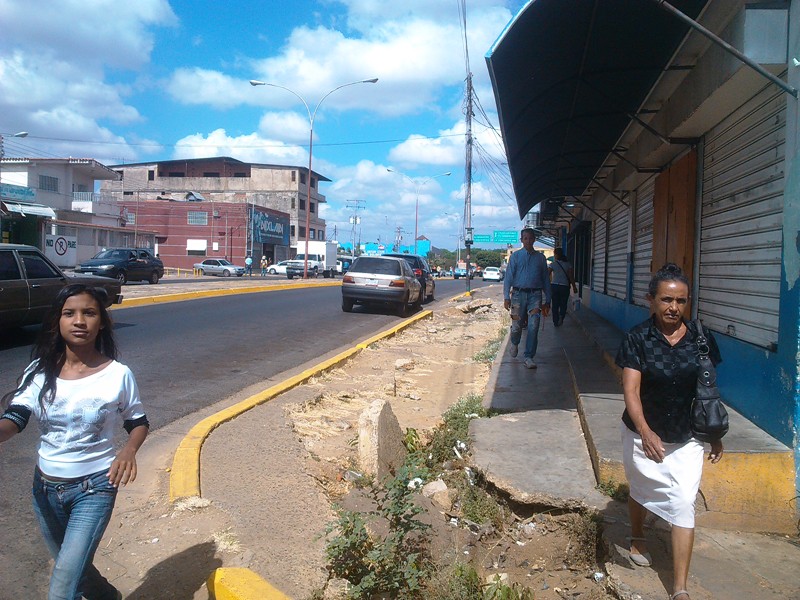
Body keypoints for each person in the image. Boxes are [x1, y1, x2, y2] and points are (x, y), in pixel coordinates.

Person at [1, 284, 149, 600]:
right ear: (58, 321)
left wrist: (129, 450)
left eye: (89, 313)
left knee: (62, 588)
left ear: (102, 322)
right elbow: (16, 417)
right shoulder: (40, 372)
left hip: (94, 489)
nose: (79, 321)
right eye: (69, 313)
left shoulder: (118, 374)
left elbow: (137, 422)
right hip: (44, 491)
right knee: (76, 569)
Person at [615, 263, 724, 600]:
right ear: (652, 300)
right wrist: (646, 431)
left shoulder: (702, 339)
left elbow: (708, 390)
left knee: (682, 502)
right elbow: (631, 391)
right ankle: (637, 535)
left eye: (681, 301)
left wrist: (714, 431)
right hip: (642, 431)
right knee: (640, 487)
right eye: (666, 300)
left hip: (687, 435)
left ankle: (680, 588)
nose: (673, 308)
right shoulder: (637, 338)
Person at [503, 227, 551, 369]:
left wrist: (547, 300)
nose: (528, 241)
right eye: (525, 238)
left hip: (535, 296)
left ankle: (529, 356)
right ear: (521, 240)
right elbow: (508, 278)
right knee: (517, 326)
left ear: (534, 239)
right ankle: (514, 342)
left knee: (533, 326)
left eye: (531, 238)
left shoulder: (541, 258)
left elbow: (545, 280)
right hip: (517, 295)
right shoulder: (516, 257)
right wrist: (506, 296)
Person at [548, 247, 578, 327]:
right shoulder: (568, 264)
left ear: (556, 255)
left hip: (554, 286)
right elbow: (571, 277)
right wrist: (574, 287)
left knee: (555, 304)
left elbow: (547, 274)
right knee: (563, 303)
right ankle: (562, 315)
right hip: (565, 287)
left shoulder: (553, 264)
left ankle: (555, 321)